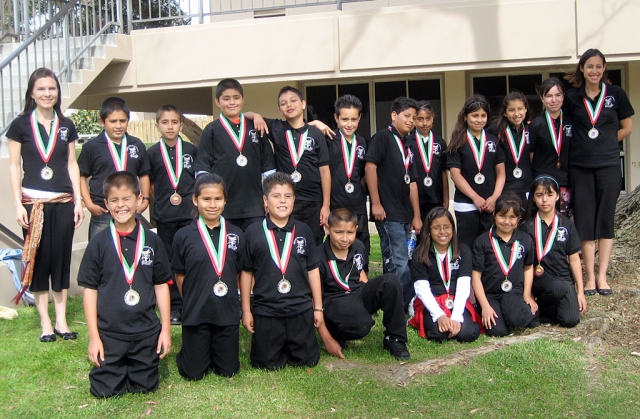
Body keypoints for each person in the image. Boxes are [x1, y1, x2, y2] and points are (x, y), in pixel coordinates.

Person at [78, 171, 172, 398]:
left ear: (139, 200)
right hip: (111, 333)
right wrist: (94, 337)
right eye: (114, 200)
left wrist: (166, 330)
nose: (121, 205)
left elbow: (161, 285)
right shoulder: (99, 243)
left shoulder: (152, 240)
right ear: (106, 204)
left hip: (145, 332)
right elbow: (90, 290)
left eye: (127, 198)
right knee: (104, 391)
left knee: (146, 387)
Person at [7, 67, 85, 342]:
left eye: (51, 88)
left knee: (61, 260)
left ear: (57, 92)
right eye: (41, 89)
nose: (47, 93)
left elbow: (71, 164)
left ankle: (62, 321)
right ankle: (45, 323)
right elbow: (15, 167)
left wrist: (78, 201)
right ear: (32, 93)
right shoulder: (20, 125)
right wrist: (18, 205)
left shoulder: (66, 125)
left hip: (63, 201)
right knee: (40, 262)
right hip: (34, 204)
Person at [563, 48, 634, 296]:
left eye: (598, 66)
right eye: (589, 66)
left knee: (605, 219)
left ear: (604, 69)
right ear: (582, 68)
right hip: (580, 167)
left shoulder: (616, 94)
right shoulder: (572, 97)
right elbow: (565, 128)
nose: (594, 70)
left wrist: (605, 142)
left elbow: (628, 126)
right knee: (585, 220)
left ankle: (602, 276)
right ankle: (589, 278)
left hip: (609, 166)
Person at [240, 172, 324, 369]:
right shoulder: (253, 232)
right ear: (265, 201)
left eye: (287, 196)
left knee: (306, 361)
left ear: (294, 200)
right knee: (266, 364)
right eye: (276, 196)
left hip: (300, 309)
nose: (282, 201)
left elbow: (313, 271)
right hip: (267, 310)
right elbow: (246, 273)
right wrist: (246, 310)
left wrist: (317, 307)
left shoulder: (304, 231)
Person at [172, 173, 243, 379]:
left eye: (218, 199)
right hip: (197, 313)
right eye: (206, 199)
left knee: (228, 371)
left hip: (226, 313)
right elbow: (180, 273)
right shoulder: (183, 236)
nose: (213, 204)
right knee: (193, 373)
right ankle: (190, 348)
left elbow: (239, 271)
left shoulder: (237, 234)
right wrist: (192, 298)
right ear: (195, 200)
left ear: (225, 200)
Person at [317, 208, 410, 360]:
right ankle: (337, 332)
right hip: (334, 300)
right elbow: (316, 299)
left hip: (356, 293)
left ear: (356, 229)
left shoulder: (359, 247)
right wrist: (327, 339)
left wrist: (372, 295)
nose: (345, 238)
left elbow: (360, 274)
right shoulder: (318, 255)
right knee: (361, 325)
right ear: (327, 229)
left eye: (350, 233)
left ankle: (395, 338)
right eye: (338, 232)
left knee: (391, 281)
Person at [194, 78, 276, 231]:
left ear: (243, 99)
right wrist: (206, 200)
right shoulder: (211, 130)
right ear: (217, 101)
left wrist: (269, 199)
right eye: (226, 98)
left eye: (236, 98)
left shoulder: (257, 127)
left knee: (254, 248)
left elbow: (268, 167)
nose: (232, 102)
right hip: (224, 207)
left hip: (254, 207)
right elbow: (202, 169)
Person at [252, 86, 330, 245]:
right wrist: (256, 115)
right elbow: (243, 115)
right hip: (286, 200)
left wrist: (326, 205)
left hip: (313, 201)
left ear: (303, 104)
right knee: (286, 243)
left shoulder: (316, 134)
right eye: (283, 103)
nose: (289, 105)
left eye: (293, 101)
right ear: (280, 110)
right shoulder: (276, 128)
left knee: (313, 243)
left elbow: (324, 171)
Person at [147, 105, 197, 325]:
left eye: (174, 122)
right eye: (165, 122)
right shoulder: (152, 153)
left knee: (190, 258)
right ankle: (175, 305)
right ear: (157, 125)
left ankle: (192, 301)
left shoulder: (191, 150)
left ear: (181, 125)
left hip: (189, 214)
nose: (170, 126)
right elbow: (149, 184)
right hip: (165, 215)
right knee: (169, 260)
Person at [365, 97, 422, 280]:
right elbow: (370, 167)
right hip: (388, 212)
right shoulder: (383, 137)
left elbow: (412, 181)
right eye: (407, 116)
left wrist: (417, 215)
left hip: (405, 213)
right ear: (394, 115)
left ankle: (404, 301)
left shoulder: (409, 144)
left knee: (406, 258)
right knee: (396, 261)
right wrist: (375, 203)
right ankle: (395, 303)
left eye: (414, 117)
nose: (411, 121)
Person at [78, 97, 151, 240]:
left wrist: (146, 199)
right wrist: (89, 204)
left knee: (135, 251)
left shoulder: (137, 145)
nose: (118, 125)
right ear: (102, 121)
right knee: (100, 253)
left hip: (131, 209)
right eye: (113, 121)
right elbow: (81, 176)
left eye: (122, 121)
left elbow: (144, 174)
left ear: (128, 120)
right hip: (102, 211)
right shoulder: (92, 147)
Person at [521, 175, 587, 327]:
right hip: (540, 278)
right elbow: (525, 264)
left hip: (564, 278)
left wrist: (580, 292)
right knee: (557, 288)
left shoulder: (566, 224)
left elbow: (574, 258)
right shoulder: (527, 226)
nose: (545, 200)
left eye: (550, 194)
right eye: (539, 195)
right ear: (533, 197)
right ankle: (544, 305)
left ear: (557, 196)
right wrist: (527, 291)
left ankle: (545, 312)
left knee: (570, 320)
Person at [408, 207, 481, 343]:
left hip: (456, 300)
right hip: (433, 300)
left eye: (447, 227)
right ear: (428, 230)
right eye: (436, 227)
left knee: (467, 334)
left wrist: (457, 317)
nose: (442, 232)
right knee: (439, 334)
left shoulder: (463, 251)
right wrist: (439, 316)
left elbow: (463, 285)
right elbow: (422, 289)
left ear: (453, 229)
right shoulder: (420, 254)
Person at [472, 192, 539, 337]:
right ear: (494, 215)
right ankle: (499, 313)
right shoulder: (482, 242)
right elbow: (476, 277)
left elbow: (528, 268)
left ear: (518, 219)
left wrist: (527, 295)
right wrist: (485, 306)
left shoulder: (525, 240)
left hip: (513, 291)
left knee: (519, 318)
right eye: (502, 216)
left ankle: (523, 313)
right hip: (490, 294)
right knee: (498, 331)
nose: (506, 221)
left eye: (512, 217)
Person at [447, 95, 506, 249]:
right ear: (465, 117)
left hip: (489, 204)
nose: (479, 120)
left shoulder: (494, 140)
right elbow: (455, 174)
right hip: (467, 204)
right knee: (466, 247)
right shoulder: (457, 142)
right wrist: (474, 197)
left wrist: (494, 197)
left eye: (483, 116)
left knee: (489, 247)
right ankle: (467, 273)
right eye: (474, 115)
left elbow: (501, 173)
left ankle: (486, 274)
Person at [326, 94, 370, 270]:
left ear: (359, 118)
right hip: (336, 203)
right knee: (337, 243)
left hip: (358, 204)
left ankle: (362, 277)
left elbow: (362, 173)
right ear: (336, 118)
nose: (349, 124)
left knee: (362, 242)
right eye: (344, 119)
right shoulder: (328, 139)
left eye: (353, 119)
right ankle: (338, 277)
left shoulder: (362, 142)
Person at [529, 78, 574, 217]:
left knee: (562, 225)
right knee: (543, 224)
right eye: (549, 96)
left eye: (558, 95)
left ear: (563, 97)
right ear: (542, 98)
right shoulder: (536, 125)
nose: (554, 100)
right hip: (543, 184)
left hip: (566, 182)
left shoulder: (571, 121)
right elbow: (531, 157)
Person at [407, 101, 449, 220]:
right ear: (414, 120)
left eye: (428, 118)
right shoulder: (408, 142)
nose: (424, 123)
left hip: (436, 197)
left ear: (433, 119)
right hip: (415, 199)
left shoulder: (440, 143)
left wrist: (446, 199)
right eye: (420, 119)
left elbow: (443, 172)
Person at [495, 91, 533, 205]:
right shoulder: (496, 132)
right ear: (505, 113)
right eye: (511, 110)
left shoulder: (532, 130)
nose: (517, 113)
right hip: (506, 189)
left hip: (528, 188)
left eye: (520, 109)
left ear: (526, 109)